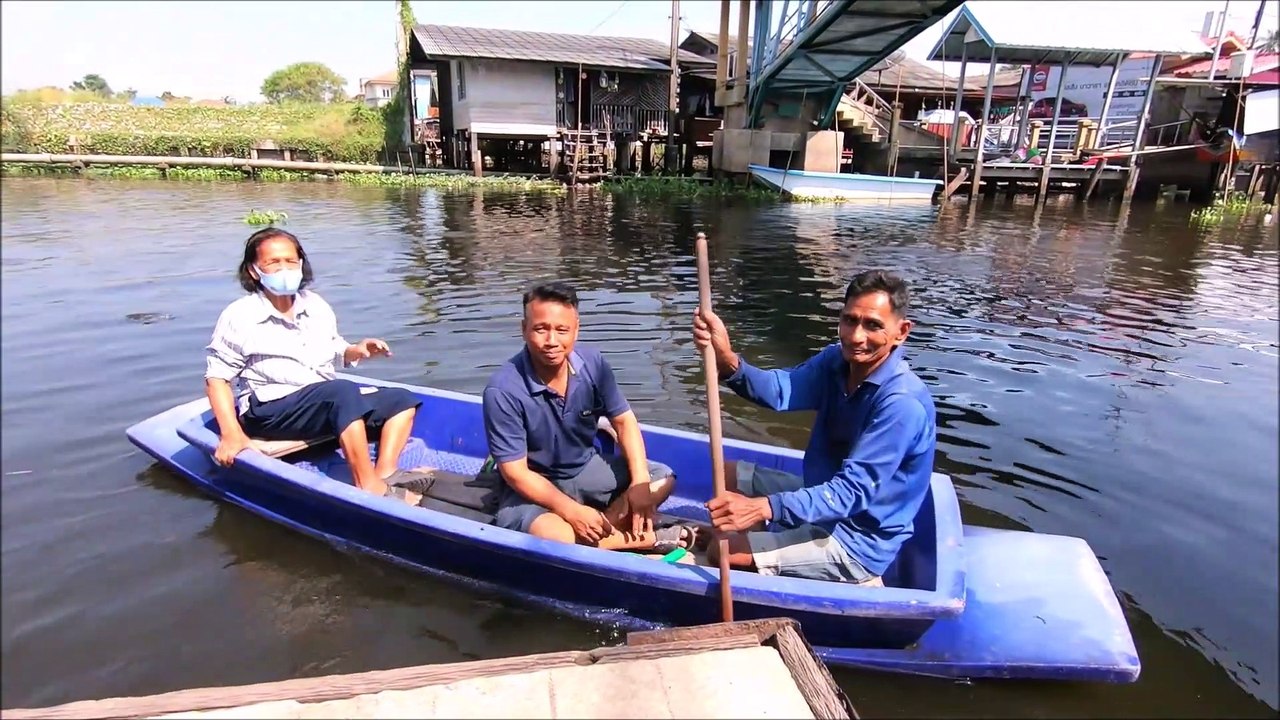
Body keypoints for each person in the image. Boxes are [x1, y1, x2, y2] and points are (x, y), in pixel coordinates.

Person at [691, 270, 936, 585]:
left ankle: (850, 577)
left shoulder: (902, 404)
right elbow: (781, 390)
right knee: (726, 474)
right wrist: (727, 362)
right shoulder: (837, 361)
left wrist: (764, 508)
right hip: (825, 503)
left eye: (873, 325)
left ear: (902, 332)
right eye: (850, 320)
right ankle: (767, 546)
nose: (856, 336)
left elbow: (851, 493)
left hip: (857, 540)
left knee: (723, 553)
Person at [204, 227, 433, 507]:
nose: (284, 268)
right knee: (341, 392)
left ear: (301, 264)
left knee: (400, 400)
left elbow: (334, 350)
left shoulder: (316, 305)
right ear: (254, 271)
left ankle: (385, 472)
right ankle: (369, 488)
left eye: (290, 261)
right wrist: (232, 435)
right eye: (273, 263)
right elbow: (217, 379)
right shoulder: (240, 316)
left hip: (321, 402)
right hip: (271, 411)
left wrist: (356, 350)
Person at [482, 281, 696, 551]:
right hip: (535, 486)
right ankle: (650, 538)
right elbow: (516, 474)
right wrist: (571, 511)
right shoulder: (503, 389)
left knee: (662, 477)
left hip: (585, 470)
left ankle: (601, 530)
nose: (551, 341)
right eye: (540, 329)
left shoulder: (593, 364)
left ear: (576, 330)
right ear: (524, 329)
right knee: (555, 535)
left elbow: (624, 421)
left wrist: (640, 482)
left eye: (562, 330)